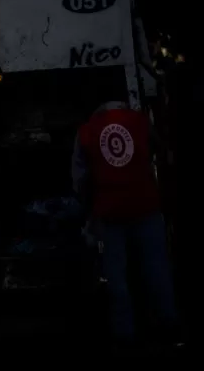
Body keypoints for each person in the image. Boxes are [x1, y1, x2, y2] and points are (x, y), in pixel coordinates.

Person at [71, 95, 181, 353]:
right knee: (157, 270)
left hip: (109, 215)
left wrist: (89, 210)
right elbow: (160, 153)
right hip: (146, 208)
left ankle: (125, 338)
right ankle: (170, 328)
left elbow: (80, 180)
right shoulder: (140, 121)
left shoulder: (87, 131)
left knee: (116, 278)